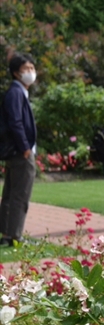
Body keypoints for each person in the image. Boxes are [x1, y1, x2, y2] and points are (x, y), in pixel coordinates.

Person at [0, 52, 38, 246]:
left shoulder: (18, 91)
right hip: (20, 151)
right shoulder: (16, 92)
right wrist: (25, 147)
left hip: (16, 151)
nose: (30, 72)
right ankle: (14, 235)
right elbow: (16, 122)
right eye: (26, 69)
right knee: (20, 194)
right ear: (16, 73)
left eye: (32, 68)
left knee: (10, 193)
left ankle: (7, 233)